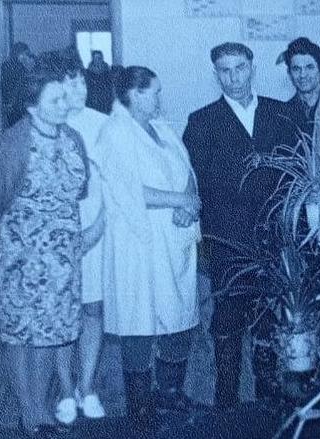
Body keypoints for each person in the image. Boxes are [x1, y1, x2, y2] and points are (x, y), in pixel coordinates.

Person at [0, 61, 101, 438]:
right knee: (19, 335)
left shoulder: (72, 138)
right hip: (20, 260)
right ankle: (28, 412)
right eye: (55, 100)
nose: (65, 104)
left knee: (51, 334)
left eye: (64, 98)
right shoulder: (12, 144)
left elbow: (80, 190)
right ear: (32, 105)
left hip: (62, 261)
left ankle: (41, 406)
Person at [182, 42, 288, 410]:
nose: (234, 77)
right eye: (225, 71)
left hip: (274, 237)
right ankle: (226, 401)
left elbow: (294, 173)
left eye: (240, 68)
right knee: (227, 319)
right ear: (216, 75)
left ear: (252, 68)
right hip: (226, 239)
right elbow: (195, 180)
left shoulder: (280, 113)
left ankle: (269, 398)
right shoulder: (202, 121)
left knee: (270, 318)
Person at [97, 66, 202, 434]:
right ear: (135, 94)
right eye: (154, 92)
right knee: (139, 320)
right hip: (138, 241)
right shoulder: (115, 133)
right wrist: (178, 200)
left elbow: (187, 169)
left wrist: (188, 202)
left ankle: (170, 391)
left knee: (178, 314)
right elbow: (127, 190)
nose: (159, 97)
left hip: (174, 235)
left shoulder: (161, 128)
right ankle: (139, 404)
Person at [52, 54, 109, 424]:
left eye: (83, 82)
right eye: (71, 83)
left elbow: (114, 183)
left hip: (96, 229)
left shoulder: (102, 123)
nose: (80, 89)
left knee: (92, 308)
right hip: (57, 235)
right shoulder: (46, 124)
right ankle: (64, 388)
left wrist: (98, 227)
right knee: (61, 311)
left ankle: (87, 387)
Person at [282, 37, 320, 134]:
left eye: (309, 67)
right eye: (296, 69)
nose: (303, 75)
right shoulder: (283, 114)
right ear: (289, 73)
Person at [0, 42, 36, 127]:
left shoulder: (5, 66)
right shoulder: (19, 68)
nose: (29, 57)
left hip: (7, 107)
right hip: (14, 108)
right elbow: (21, 90)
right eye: (27, 54)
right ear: (21, 55)